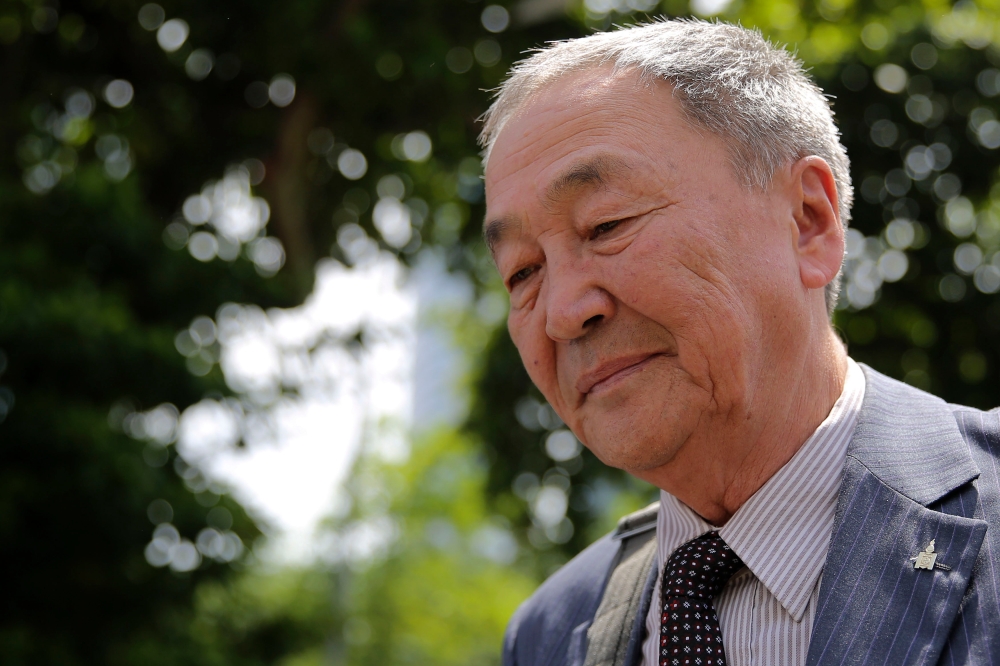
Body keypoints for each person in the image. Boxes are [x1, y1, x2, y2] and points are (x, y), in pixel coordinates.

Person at [479, 19, 1000, 666]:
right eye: (522, 273)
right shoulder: (552, 633)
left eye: (607, 224)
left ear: (808, 222)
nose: (561, 312)